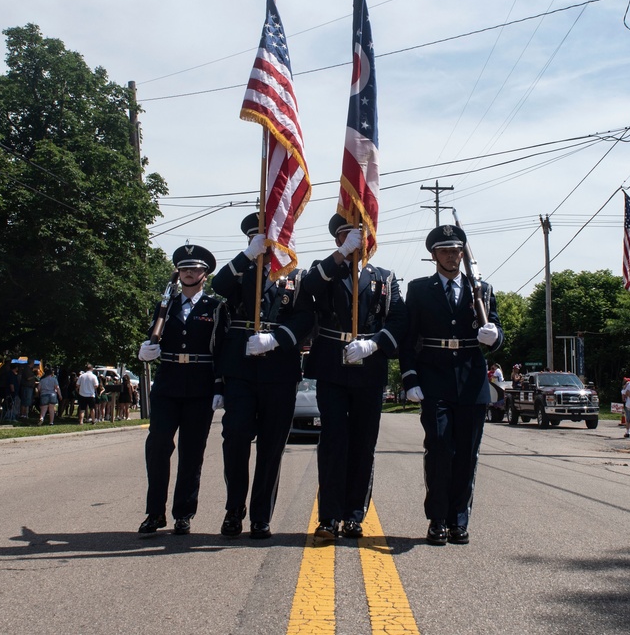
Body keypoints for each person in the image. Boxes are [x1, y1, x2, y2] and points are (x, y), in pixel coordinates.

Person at [300, 215, 406, 540]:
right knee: (334, 442)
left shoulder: (385, 278)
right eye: (348, 236)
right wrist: (340, 256)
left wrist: (374, 344)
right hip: (332, 367)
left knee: (363, 445)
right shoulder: (325, 271)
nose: (357, 240)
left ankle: (354, 515)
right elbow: (309, 289)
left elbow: (400, 322)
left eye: (361, 235)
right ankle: (329, 517)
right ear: (338, 240)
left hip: (369, 369)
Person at [211, 213, 315, 540]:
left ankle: (260, 516)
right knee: (236, 438)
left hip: (279, 369)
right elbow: (218, 286)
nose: (264, 242)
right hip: (241, 369)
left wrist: (277, 338)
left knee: (272, 446)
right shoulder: (241, 271)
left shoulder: (296, 275)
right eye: (256, 237)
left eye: (268, 236)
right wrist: (247, 255)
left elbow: (306, 319)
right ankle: (233, 509)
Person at [399, 224, 503, 546]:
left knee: (467, 456)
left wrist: (495, 337)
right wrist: (410, 377)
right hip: (434, 378)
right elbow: (407, 338)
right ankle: (438, 519)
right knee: (440, 449)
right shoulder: (418, 289)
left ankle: (459, 520)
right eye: (444, 250)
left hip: (471, 380)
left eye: (456, 250)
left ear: (463, 253)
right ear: (434, 256)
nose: (451, 256)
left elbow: (497, 329)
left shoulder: (481, 289)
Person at [136, 243, 227, 536]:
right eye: (184, 268)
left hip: (200, 386)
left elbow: (221, 350)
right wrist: (147, 349)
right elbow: (155, 333)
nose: (189, 272)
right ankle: (154, 512)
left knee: (191, 453)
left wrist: (219, 385)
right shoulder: (167, 304)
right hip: (168, 382)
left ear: (205, 274)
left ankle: (184, 513)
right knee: (158, 446)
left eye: (195, 268)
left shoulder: (216, 307)